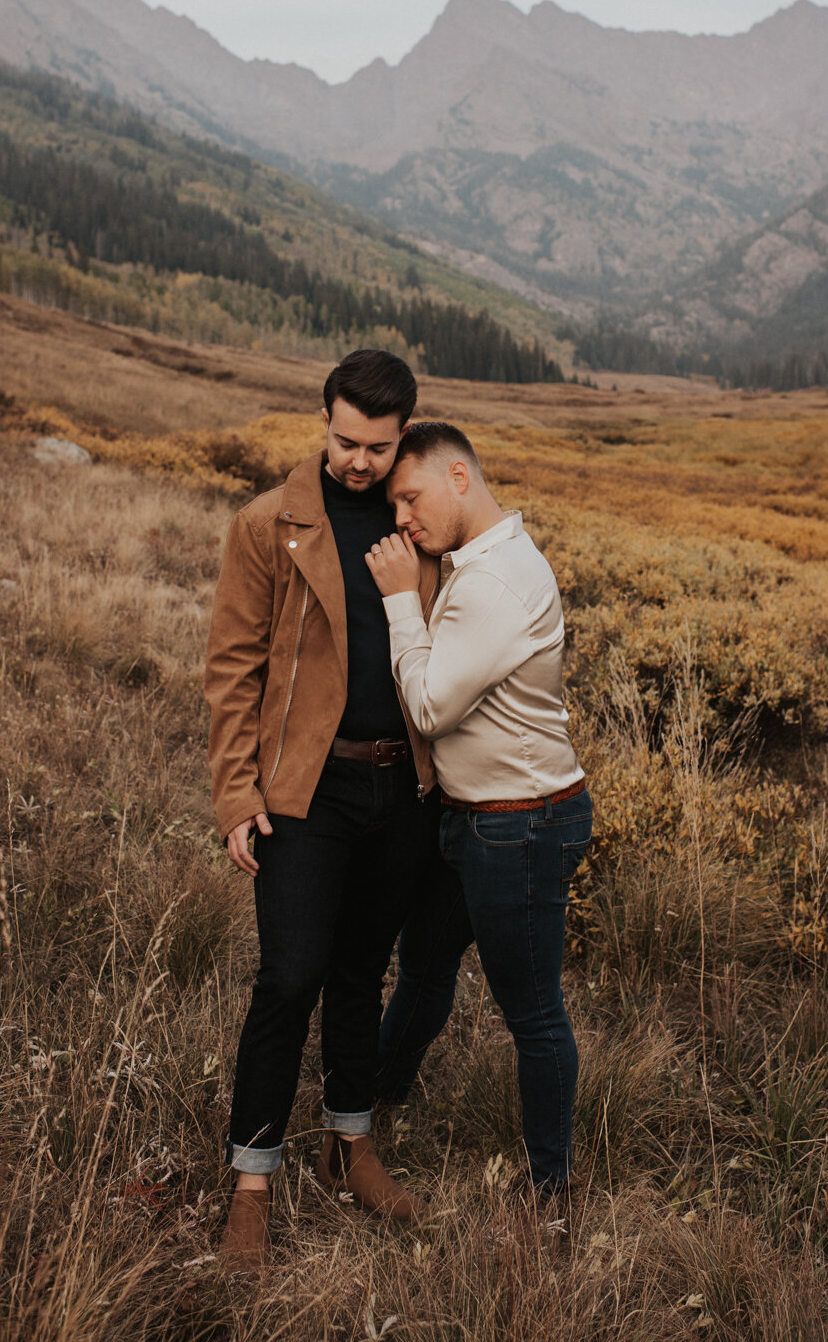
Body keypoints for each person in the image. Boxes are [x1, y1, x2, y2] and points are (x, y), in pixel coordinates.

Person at [204, 350, 441, 1271]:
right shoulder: (268, 524)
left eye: (377, 448)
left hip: (402, 787)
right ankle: (252, 1180)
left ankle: (352, 1144)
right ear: (324, 421)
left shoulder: (415, 525)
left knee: (360, 972)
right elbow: (232, 670)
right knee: (290, 975)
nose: (357, 461)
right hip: (305, 791)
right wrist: (235, 792)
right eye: (344, 440)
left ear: (401, 438)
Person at [365, 422, 592, 1202]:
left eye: (410, 495)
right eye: (394, 503)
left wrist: (400, 600)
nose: (401, 517)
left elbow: (428, 707)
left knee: (531, 1012)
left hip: (520, 823)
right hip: (470, 819)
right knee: (424, 973)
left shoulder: (496, 581)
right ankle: (369, 1112)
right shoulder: (477, 562)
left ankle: (549, 1191)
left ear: (459, 476)